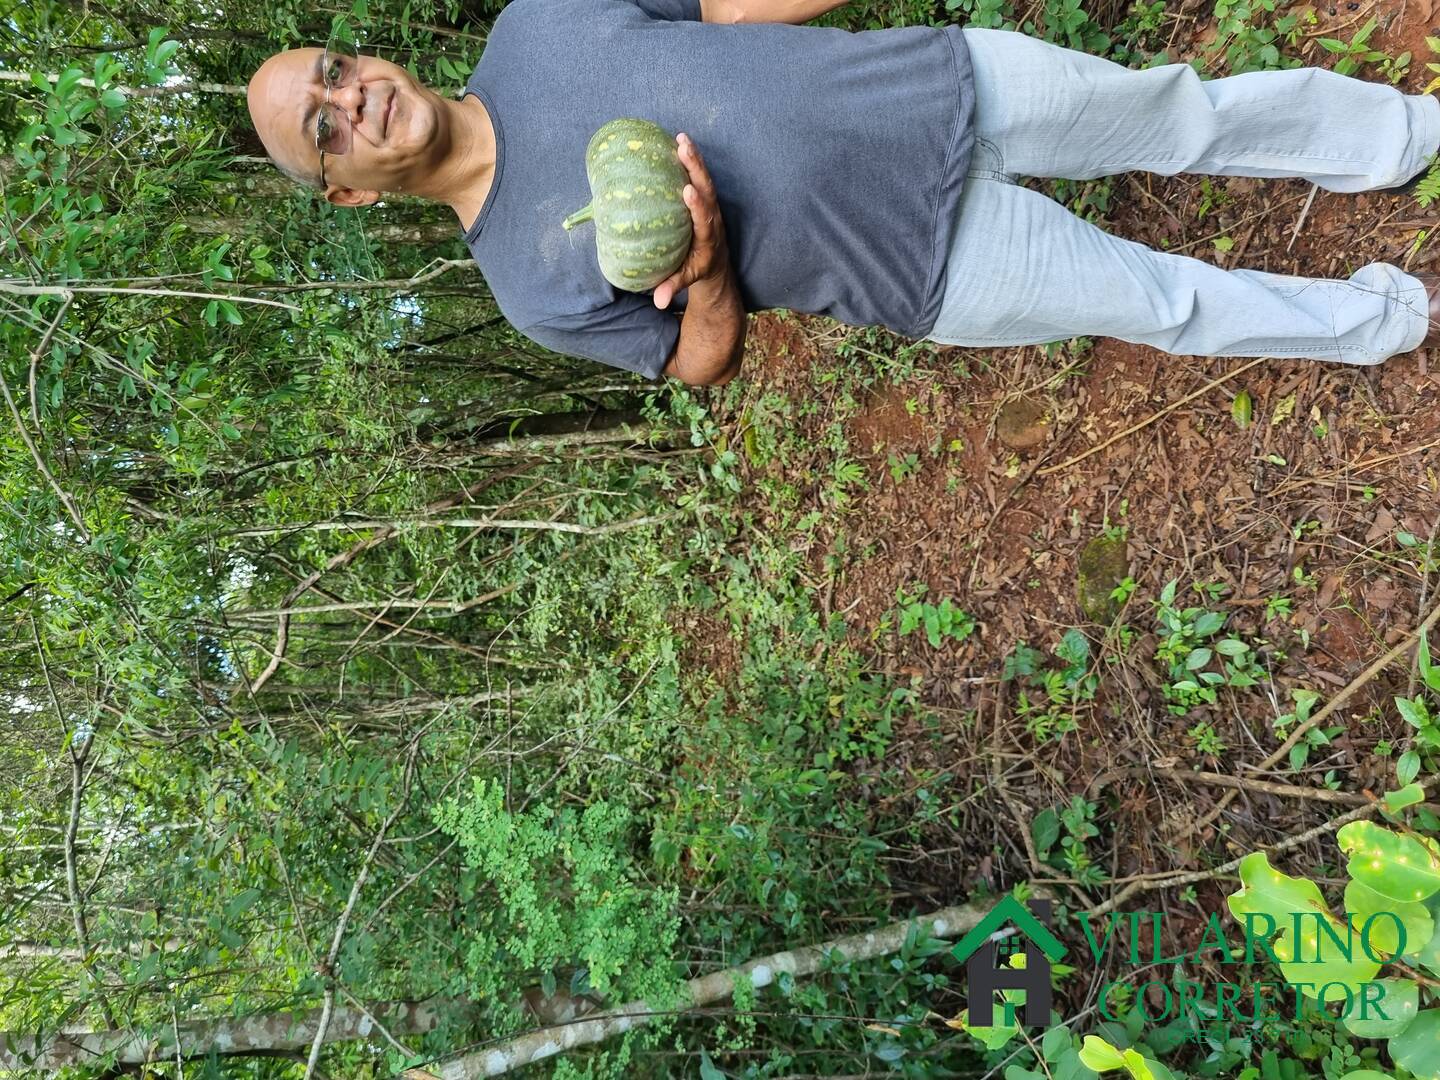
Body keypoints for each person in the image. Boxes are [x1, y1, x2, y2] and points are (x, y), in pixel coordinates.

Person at [245, 0, 1440, 389]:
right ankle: (1379, 322)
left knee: (1186, 111)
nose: (358, 102)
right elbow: (696, 362)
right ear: (345, 189)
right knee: (1162, 302)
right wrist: (706, 270)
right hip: (925, 263)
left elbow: (718, 8)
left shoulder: (530, 21)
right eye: (326, 127)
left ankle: (1400, 136)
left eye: (339, 73)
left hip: (929, 82)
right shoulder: (524, 284)